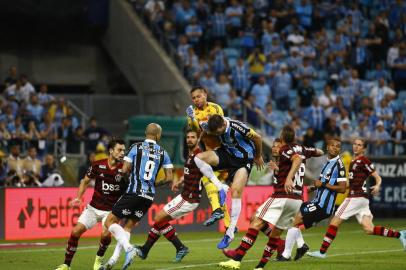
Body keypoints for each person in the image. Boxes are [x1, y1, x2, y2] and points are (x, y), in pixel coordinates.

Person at [219, 125, 323, 270]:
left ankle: (236, 258)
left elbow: (297, 159)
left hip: (282, 195)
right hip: (296, 200)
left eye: (277, 145)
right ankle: (261, 266)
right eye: (273, 146)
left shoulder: (286, 151)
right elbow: (319, 152)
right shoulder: (302, 149)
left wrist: (288, 178)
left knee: (255, 223)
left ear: (282, 139)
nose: (275, 148)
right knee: (275, 233)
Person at [307, 138, 406, 259]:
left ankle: (322, 252)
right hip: (362, 200)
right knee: (369, 229)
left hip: (355, 197)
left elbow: (377, 176)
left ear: (364, 148)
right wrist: (324, 187)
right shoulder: (354, 161)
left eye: (359, 145)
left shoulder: (363, 160)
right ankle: (400, 234)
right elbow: (351, 183)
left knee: (334, 222)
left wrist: (378, 185)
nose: (356, 147)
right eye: (354, 144)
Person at [103, 124, 173, 270]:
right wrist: (154, 183)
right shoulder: (163, 152)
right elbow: (169, 178)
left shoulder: (136, 147)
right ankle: (113, 260)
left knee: (109, 221)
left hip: (134, 191)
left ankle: (129, 248)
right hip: (148, 196)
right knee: (127, 228)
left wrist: (122, 175)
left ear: (146, 133)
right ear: (158, 135)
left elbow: (124, 169)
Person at [194, 114, 265, 249]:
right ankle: (220, 187)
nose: (214, 134)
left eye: (217, 132)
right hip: (226, 154)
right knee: (198, 158)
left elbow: (257, 137)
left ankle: (230, 232)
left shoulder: (237, 127)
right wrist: (199, 138)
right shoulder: (211, 126)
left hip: (244, 160)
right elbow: (202, 126)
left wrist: (257, 155)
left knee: (236, 191)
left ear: (223, 126)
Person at [54, 139, 127, 270]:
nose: (122, 153)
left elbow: (130, 190)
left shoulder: (125, 169)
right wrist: (78, 197)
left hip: (111, 211)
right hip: (93, 208)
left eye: (123, 150)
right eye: (119, 150)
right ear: (111, 150)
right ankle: (66, 265)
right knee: (75, 232)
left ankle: (99, 259)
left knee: (105, 234)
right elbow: (85, 180)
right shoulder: (98, 165)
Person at [133, 130, 202, 263]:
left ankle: (180, 247)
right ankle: (145, 250)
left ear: (198, 139)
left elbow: (207, 172)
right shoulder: (190, 154)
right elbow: (190, 172)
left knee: (159, 218)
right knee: (160, 221)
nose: (189, 139)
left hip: (190, 198)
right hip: (184, 195)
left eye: (193, 137)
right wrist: (181, 181)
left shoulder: (200, 155)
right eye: (187, 137)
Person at [278, 138, 346, 261]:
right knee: (293, 217)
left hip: (323, 206)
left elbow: (342, 188)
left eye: (337, 146)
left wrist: (323, 185)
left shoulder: (339, 165)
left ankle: (286, 255)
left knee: (295, 219)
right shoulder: (328, 163)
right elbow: (322, 182)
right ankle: (301, 246)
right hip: (317, 202)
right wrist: (313, 187)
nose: (335, 148)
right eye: (332, 145)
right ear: (327, 147)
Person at [186, 86, 231, 228]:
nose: (196, 100)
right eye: (193, 98)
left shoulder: (215, 108)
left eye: (198, 96)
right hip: (210, 154)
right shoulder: (193, 112)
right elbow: (195, 131)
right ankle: (227, 223)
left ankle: (221, 214)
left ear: (205, 94)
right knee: (210, 182)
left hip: (224, 150)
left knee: (210, 181)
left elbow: (221, 128)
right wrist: (193, 119)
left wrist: (208, 128)